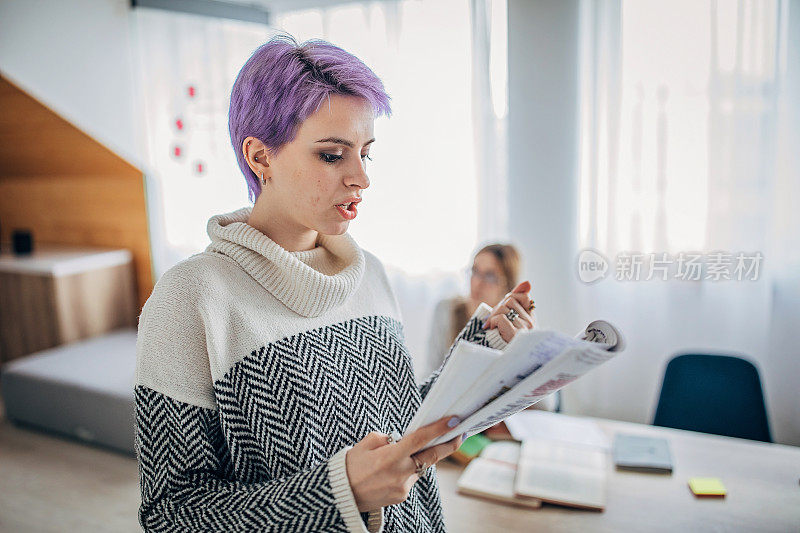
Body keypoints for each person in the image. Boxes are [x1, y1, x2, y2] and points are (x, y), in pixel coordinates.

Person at [133, 35, 536, 532]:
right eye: (332, 155)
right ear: (260, 158)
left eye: (365, 153)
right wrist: (337, 493)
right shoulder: (190, 299)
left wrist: (484, 353)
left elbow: (400, 425)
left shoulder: (371, 274)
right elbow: (170, 512)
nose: (361, 178)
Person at [427, 244, 556, 412]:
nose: (476, 283)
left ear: (508, 287)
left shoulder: (519, 323)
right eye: (474, 271)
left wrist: (521, 347)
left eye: (489, 276)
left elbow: (547, 405)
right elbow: (429, 378)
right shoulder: (446, 310)